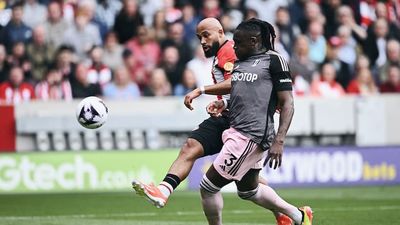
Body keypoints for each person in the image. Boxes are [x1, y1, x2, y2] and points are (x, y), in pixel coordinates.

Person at [132, 17, 293, 225]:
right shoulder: (222, 54)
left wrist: (203, 90)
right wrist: (223, 103)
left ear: (220, 32)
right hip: (229, 116)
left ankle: (287, 213)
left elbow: (238, 82)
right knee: (240, 179)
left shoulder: (230, 51)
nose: (202, 41)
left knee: (228, 183)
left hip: (240, 122)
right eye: (199, 37)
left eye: (206, 35)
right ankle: (163, 190)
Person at [184, 18, 313, 225]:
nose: (234, 46)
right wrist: (224, 104)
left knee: (208, 187)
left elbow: (287, 102)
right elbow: (244, 94)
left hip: (250, 135)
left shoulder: (274, 60)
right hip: (238, 130)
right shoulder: (241, 62)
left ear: (254, 41)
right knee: (248, 191)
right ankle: (299, 216)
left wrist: (279, 140)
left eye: (238, 43)